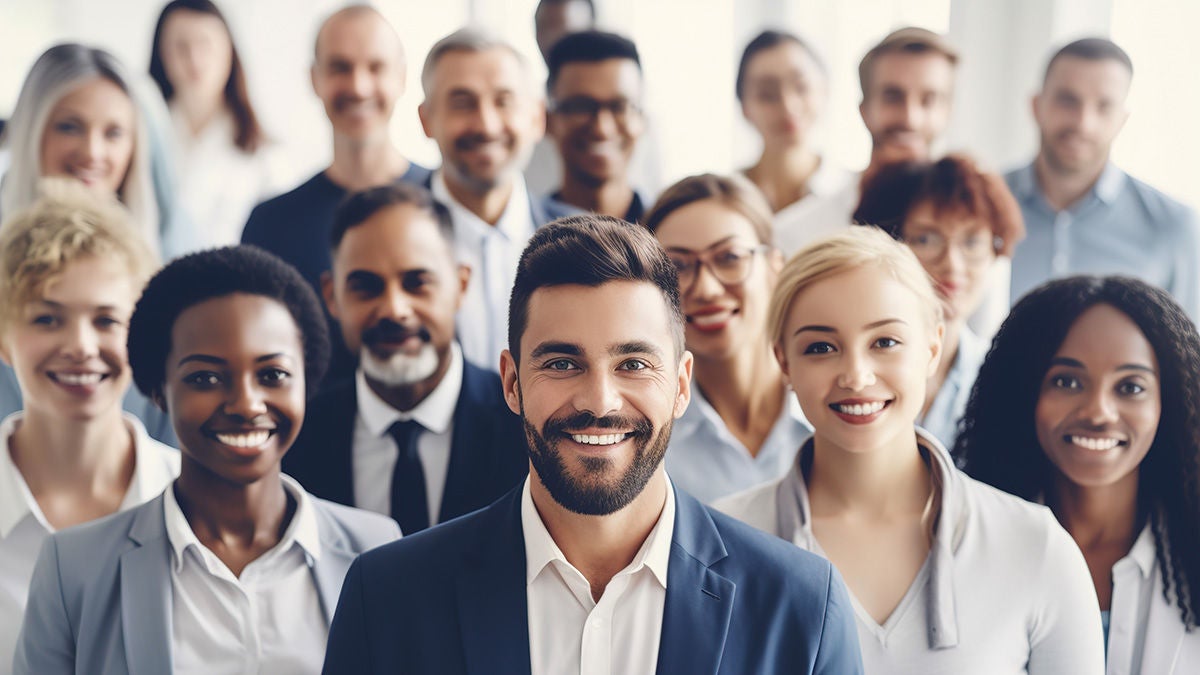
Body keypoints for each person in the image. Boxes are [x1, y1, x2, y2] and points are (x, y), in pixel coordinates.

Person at [320, 215, 863, 674]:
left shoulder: (801, 607)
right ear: (511, 382)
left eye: (632, 364)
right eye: (561, 362)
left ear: (679, 385)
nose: (599, 401)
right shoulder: (387, 599)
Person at [716, 227, 1105, 673]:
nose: (856, 376)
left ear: (933, 347)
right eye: (821, 347)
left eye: (885, 342)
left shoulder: (1035, 546)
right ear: (784, 362)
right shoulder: (716, 546)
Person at [13, 245, 400, 674]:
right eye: (206, 378)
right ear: (159, 390)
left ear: (307, 381)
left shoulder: (378, 550)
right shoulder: (73, 569)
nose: (246, 404)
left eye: (272, 375)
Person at [958, 276, 1200, 672]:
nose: (1098, 413)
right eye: (1067, 382)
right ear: (1024, 393)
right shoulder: (963, 546)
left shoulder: (1190, 551)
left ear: (1167, 403)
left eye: (1131, 387)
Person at [0, 181, 180, 674]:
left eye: (106, 320)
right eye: (46, 319)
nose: (81, 345)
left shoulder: (196, 497)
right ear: (4, 338)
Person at [285, 184, 528, 535]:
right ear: (332, 296)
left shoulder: (525, 423)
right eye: (366, 287)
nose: (394, 310)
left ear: (461, 285)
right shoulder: (297, 438)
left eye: (417, 283)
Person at [241, 4, 431, 296]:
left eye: (376, 67)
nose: (359, 86)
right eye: (340, 68)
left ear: (401, 77)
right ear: (315, 79)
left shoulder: (443, 204)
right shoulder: (270, 225)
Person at [418, 28, 576, 372]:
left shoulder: (583, 240)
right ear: (426, 119)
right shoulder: (384, 239)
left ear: (537, 118)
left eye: (503, 101)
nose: (486, 125)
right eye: (462, 103)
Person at [645, 174, 810, 503]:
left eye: (730, 257)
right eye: (677, 266)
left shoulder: (835, 407)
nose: (706, 288)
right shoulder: (646, 443)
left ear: (776, 267)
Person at [1007, 39, 1199, 319]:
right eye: (1067, 100)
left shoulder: (1174, 227)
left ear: (1122, 119)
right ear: (1037, 106)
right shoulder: (976, 206)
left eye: (1104, 106)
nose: (1083, 123)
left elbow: (1189, 356)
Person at [853, 154, 1024, 450]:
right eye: (926, 240)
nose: (953, 265)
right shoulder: (853, 368)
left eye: (971, 242)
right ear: (886, 243)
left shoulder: (1005, 377)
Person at [772, 27, 959, 256]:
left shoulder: (978, 233)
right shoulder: (795, 235)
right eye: (893, 97)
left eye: (929, 100)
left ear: (948, 112)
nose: (910, 118)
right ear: (864, 110)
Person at [0, 42, 192, 259]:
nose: (92, 152)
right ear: (32, 130)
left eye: (113, 133)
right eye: (69, 127)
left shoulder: (172, 238)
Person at [149, 0, 283, 247]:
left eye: (205, 44)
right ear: (161, 55)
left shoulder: (266, 156)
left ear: (229, 52)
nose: (194, 59)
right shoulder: (143, 136)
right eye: (180, 46)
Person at [738, 31, 854, 253]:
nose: (788, 106)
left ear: (824, 91)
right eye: (767, 94)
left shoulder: (853, 193)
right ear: (744, 107)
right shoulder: (725, 199)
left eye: (801, 87)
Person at [545, 31, 648, 223]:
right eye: (580, 107)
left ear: (642, 119)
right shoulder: (520, 235)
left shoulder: (672, 234)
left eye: (620, 107)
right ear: (548, 121)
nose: (602, 128)